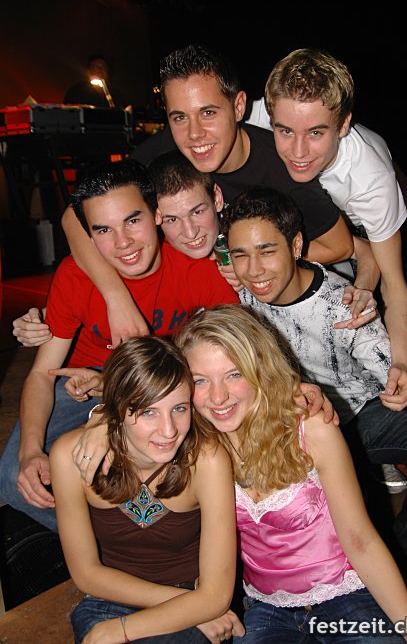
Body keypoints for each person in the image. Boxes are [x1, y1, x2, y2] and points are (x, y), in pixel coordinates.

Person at [60, 44, 378, 348]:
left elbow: (340, 246)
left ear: (238, 107)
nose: (194, 134)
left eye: (208, 112)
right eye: (179, 117)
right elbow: (74, 219)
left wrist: (245, 259)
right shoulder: (161, 154)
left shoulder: (280, 167)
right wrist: (116, 298)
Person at [0, 160, 238, 531]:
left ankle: (151, 537)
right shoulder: (75, 275)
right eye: (103, 230)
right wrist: (31, 450)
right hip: (84, 382)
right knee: (14, 478)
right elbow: (42, 375)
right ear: (89, 236)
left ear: (156, 215)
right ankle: (118, 541)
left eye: (132, 221)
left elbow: (235, 353)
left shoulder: (195, 269)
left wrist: (111, 413)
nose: (122, 242)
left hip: (162, 381)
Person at [221, 186, 407, 604]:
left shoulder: (341, 306)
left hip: (362, 413)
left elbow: (405, 374)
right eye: (240, 255)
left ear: (296, 245)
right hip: (295, 422)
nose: (253, 269)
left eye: (266, 251)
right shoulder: (245, 296)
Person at [176, 304, 407, 644]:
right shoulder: (194, 449)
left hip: (347, 595)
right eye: (200, 381)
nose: (218, 396)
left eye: (234, 374)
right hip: (267, 609)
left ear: (259, 369)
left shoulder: (310, 428)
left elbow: (361, 542)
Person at [50, 335, 243, 644]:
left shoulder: (206, 460)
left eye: (179, 408)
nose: (169, 430)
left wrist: (120, 630)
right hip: (111, 600)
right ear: (116, 410)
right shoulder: (69, 457)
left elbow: (216, 594)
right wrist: (188, 607)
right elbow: (86, 573)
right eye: (149, 412)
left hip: (192, 596)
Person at [264, 47, 407, 395]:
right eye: (285, 131)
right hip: (328, 220)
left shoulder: (372, 182)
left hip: (384, 221)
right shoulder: (271, 110)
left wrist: (401, 363)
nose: (298, 151)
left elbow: (394, 285)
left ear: (342, 124)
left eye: (316, 133)